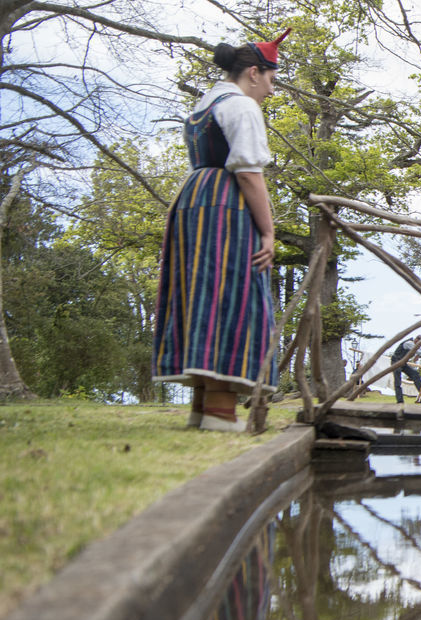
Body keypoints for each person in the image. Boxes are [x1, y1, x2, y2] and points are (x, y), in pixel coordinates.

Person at [153, 31, 289, 431]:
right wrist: (268, 231)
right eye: (270, 81)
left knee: (200, 296)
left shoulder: (204, 105)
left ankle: (201, 407)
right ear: (253, 73)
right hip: (226, 206)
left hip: (193, 200)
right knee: (232, 296)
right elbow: (249, 172)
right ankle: (219, 412)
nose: (270, 90)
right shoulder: (242, 107)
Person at [391, 335, 421, 404]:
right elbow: (419, 351)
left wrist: (418, 355)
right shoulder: (409, 343)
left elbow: (419, 351)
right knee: (398, 382)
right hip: (396, 362)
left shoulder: (414, 345)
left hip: (403, 363)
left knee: (415, 374)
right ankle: (400, 401)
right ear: (416, 340)